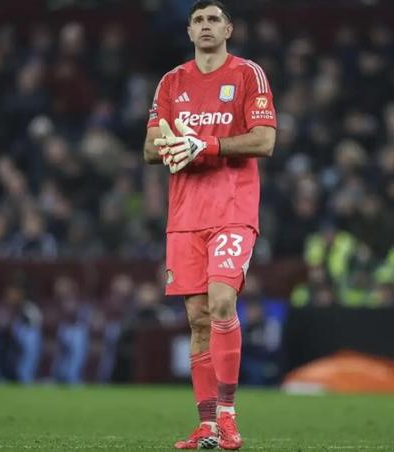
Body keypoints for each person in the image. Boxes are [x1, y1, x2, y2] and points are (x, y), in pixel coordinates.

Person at [143, 1, 277, 449]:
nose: (205, 26)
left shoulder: (248, 75)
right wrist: (174, 146)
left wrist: (206, 146)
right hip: (185, 216)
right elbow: (149, 147)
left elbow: (265, 140)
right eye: (198, 20)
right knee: (198, 319)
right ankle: (207, 425)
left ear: (228, 29)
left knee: (222, 302)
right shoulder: (172, 82)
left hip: (233, 210)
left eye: (213, 19)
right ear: (188, 31)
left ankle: (228, 417)